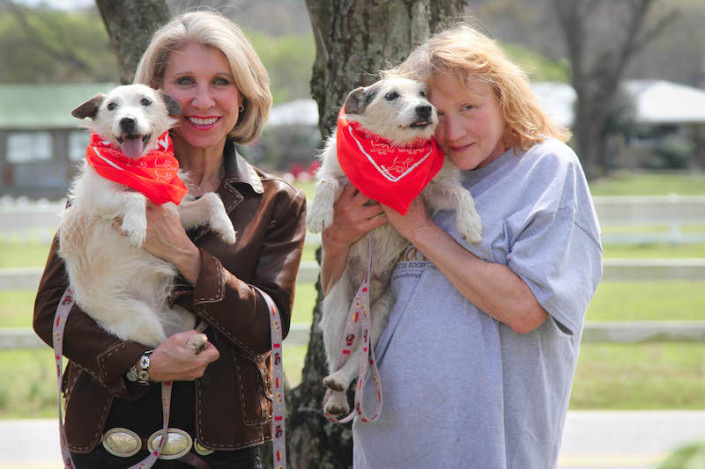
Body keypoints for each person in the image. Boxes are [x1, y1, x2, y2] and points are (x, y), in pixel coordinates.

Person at [320, 24, 602, 468]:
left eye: (469, 107)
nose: (452, 131)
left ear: (505, 98)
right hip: (387, 443)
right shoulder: (410, 170)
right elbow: (343, 291)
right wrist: (336, 241)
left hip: (487, 447)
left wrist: (421, 230)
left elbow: (526, 310)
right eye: (438, 110)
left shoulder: (545, 169)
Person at [33, 10, 306, 469]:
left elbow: (267, 330)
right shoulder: (106, 183)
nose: (203, 100)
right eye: (185, 81)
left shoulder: (276, 202)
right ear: (159, 95)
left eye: (221, 81)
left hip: (222, 446)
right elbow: (52, 313)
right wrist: (142, 363)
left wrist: (182, 252)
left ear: (244, 95)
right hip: (109, 438)